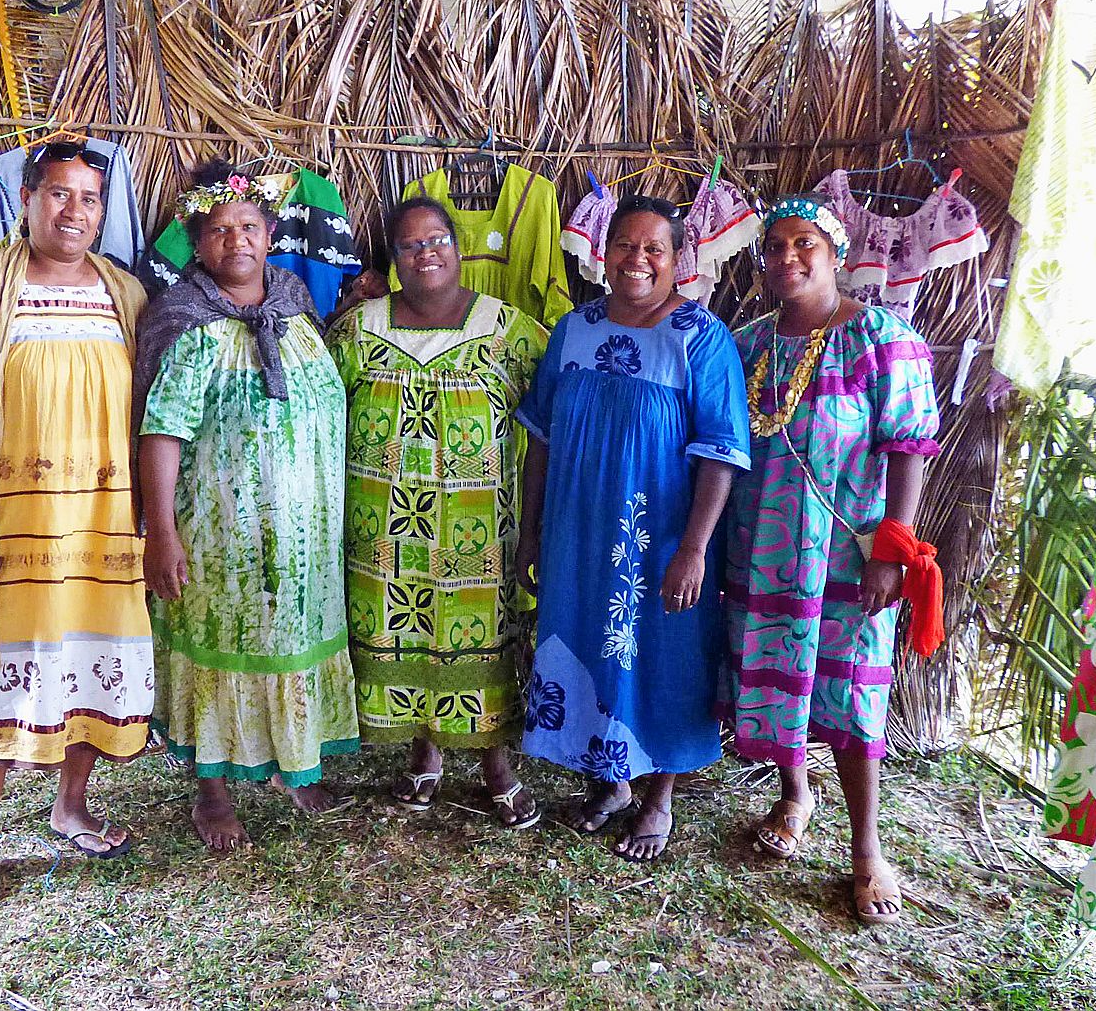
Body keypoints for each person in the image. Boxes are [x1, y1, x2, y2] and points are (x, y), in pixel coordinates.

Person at [0, 142, 153, 916]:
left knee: (88, 671)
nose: (73, 212)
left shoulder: (126, 294)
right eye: (58, 194)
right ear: (24, 197)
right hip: (3, 532)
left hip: (100, 530)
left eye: (89, 198)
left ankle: (69, 805)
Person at [722, 194, 941, 924]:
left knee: (849, 698)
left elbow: (907, 446)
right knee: (781, 678)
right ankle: (792, 793)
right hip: (761, 547)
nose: (787, 257)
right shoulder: (747, 342)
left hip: (846, 554)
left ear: (835, 251)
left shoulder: (882, 336)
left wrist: (893, 551)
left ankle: (866, 847)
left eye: (803, 244)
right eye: (774, 246)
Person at [515, 195, 751, 861]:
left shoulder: (699, 337)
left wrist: (694, 549)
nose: (637, 259)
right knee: (591, 641)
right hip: (578, 530)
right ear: (603, 251)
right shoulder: (574, 329)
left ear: (679, 261)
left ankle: (659, 797)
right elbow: (541, 437)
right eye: (624, 244)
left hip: (659, 539)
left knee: (664, 653)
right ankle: (611, 780)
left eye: (654, 248)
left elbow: (721, 450)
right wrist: (532, 532)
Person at [136, 162, 358, 852]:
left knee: (288, 640)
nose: (236, 240)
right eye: (219, 230)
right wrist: (162, 532)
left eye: (249, 227)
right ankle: (211, 792)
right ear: (198, 246)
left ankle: (291, 764)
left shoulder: (294, 307)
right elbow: (161, 432)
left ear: (270, 238)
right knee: (224, 646)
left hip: (303, 538)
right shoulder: (183, 322)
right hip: (218, 534)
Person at [326, 197, 548, 827]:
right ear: (392, 260)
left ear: (458, 246)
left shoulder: (510, 331)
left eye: (438, 240)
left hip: (478, 533)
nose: (426, 253)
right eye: (409, 245)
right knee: (404, 636)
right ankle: (424, 753)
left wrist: (539, 526)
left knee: (479, 641)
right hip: (381, 537)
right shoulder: (357, 330)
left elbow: (556, 424)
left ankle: (496, 766)